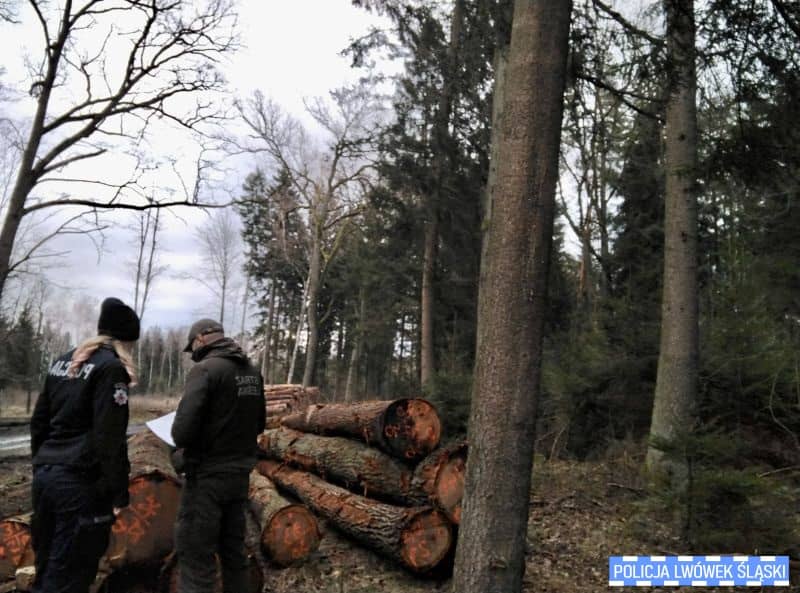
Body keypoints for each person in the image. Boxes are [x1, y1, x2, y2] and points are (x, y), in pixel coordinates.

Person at [30, 297, 139, 593]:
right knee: (70, 575)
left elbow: (39, 422)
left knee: (46, 566)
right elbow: (109, 437)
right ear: (126, 341)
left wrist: (42, 463)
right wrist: (119, 493)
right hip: (79, 485)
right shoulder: (111, 369)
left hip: (46, 477)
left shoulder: (63, 361)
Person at [172, 319, 266, 593]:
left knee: (196, 558)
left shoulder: (205, 370)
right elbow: (259, 423)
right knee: (234, 555)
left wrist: (180, 448)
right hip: (239, 478)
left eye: (193, 347)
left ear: (200, 339)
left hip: (206, 480)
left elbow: (181, 432)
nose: (193, 354)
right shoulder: (252, 371)